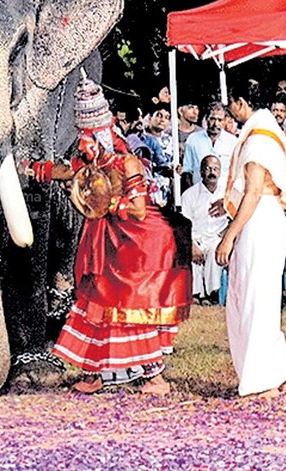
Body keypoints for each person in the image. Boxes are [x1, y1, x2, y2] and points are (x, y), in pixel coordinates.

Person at [26, 76, 189, 394]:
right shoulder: (91, 161)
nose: (81, 144)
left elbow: (140, 210)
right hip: (100, 242)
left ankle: (152, 377)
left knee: (128, 304)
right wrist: (32, 169)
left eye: (85, 137)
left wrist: (107, 202)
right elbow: (66, 171)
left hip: (130, 246)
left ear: (100, 133)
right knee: (93, 299)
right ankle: (94, 372)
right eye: (80, 137)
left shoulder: (127, 163)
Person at [216, 79, 286, 398]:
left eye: (231, 106)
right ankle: (275, 364)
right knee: (257, 295)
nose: (229, 112)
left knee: (255, 298)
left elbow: (252, 192)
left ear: (240, 102)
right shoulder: (264, 130)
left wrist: (228, 237)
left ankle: (261, 378)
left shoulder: (259, 138)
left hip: (259, 218)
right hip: (263, 217)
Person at [180, 155, 228, 305]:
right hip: (196, 238)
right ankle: (196, 295)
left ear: (220, 172)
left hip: (217, 238)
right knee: (193, 256)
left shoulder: (227, 195)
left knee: (215, 252)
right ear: (201, 172)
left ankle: (211, 294)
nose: (212, 172)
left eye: (215, 169)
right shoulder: (189, 195)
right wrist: (192, 245)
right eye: (208, 169)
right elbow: (184, 224)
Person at [181, 102, 237, 187]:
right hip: (199, 192)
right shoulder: (193, 139)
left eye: (220, 120)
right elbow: (187, 171)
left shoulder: (233, 142)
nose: (216, 124)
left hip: (224, 194)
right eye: (212, 119)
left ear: (225, 121)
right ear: (206, 119)